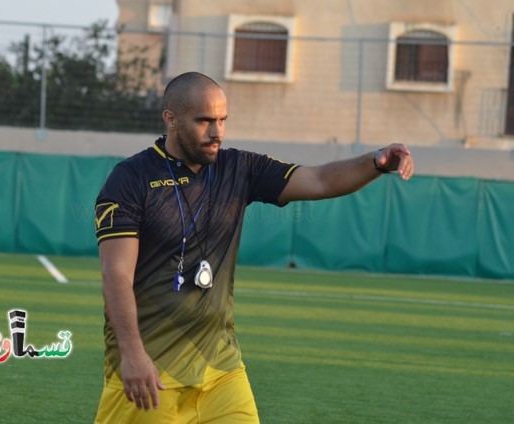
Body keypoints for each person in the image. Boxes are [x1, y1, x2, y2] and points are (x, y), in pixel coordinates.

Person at [93, 71, 414, 423]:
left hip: (221, 368)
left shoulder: (240, 168)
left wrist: (375, 162)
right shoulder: (130, 179)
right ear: (170, 119)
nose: (217, 132)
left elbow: (320, 180)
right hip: (152, 372)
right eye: (204, 121)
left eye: (222, 120)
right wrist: (132, 353)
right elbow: (116, 274)